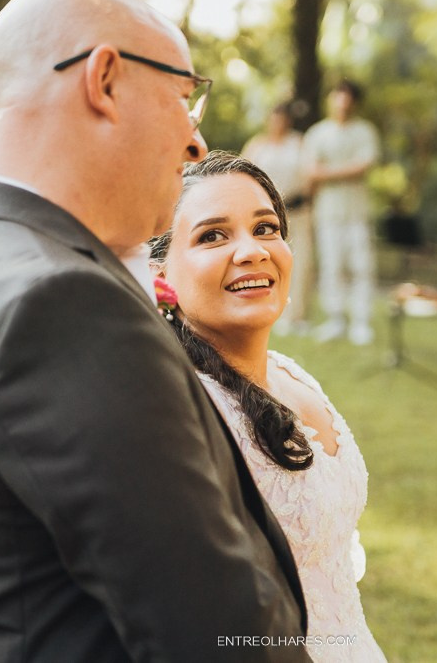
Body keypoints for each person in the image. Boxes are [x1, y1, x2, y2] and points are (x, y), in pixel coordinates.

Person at [0, 0, 309, 661]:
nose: (196, 142)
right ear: (104, 79)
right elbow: (215, 633)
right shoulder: (64, 304)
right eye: (181, 97)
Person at [153, 151, 387, 663]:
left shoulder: (291, 375)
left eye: (266, 228)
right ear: (161, 271)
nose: (252, 251)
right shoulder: (184, 410)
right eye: (212, 236)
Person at [303, 80, 381, 346]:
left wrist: (328, 171)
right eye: (338, 95)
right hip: (328, 213)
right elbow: (312, 172)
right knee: (331, 266)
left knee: (361, 265)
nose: (342, 101)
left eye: (347, 96)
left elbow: (363, 166)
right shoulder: (318, 133)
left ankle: (361, 322)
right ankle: (335, 319)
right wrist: (343, 170)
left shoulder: (364, 131)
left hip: (357, 212)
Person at [243, 101, 315, 336]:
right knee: (267, 261)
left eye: (282, 118)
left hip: (296, 211)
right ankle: (269, 311)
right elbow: (243, 174)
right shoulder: (257, 144)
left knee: (300, 261)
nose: (278, 123)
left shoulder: (299, 143)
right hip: (264, 214)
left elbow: (310, 176)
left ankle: (297, 315)